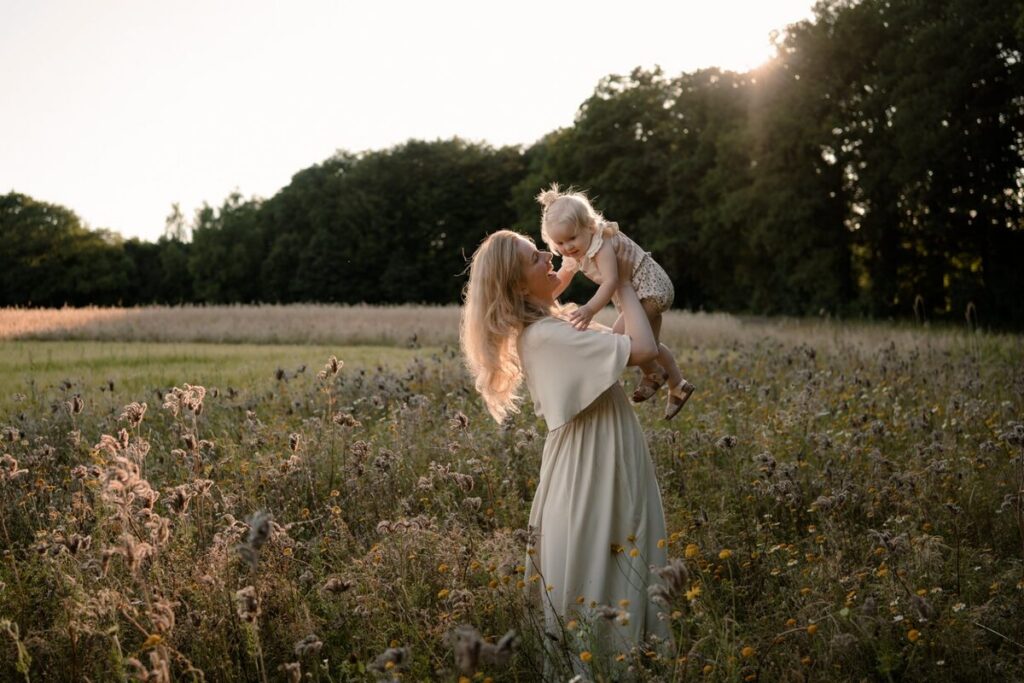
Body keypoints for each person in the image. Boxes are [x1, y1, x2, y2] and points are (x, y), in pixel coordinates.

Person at [460, 229, 672, 673]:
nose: (547, 255)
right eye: (534, 256)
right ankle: (605, 668)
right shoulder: (546, 337)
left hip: (600, 452)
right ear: (518, 284)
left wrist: (614, 280)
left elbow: (621, 343)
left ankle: (622, 663)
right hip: (591, 464)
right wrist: (623, 280)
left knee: (618, 561)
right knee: (605, 566)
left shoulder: (557, 326)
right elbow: (645, 348)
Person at [537, 184, 695, 420]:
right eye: (559, 243)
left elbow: (611, 281)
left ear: (589, 227)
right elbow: (563, 277)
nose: (567, 247)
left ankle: (653, 373)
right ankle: (677, 384)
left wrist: (590, 309)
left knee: (620, 340)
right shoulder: (575, 254)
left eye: (571, 238)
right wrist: (544, 299)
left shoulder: (602, 244)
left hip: (650, 290)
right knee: (650, 342)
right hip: (637, 295)